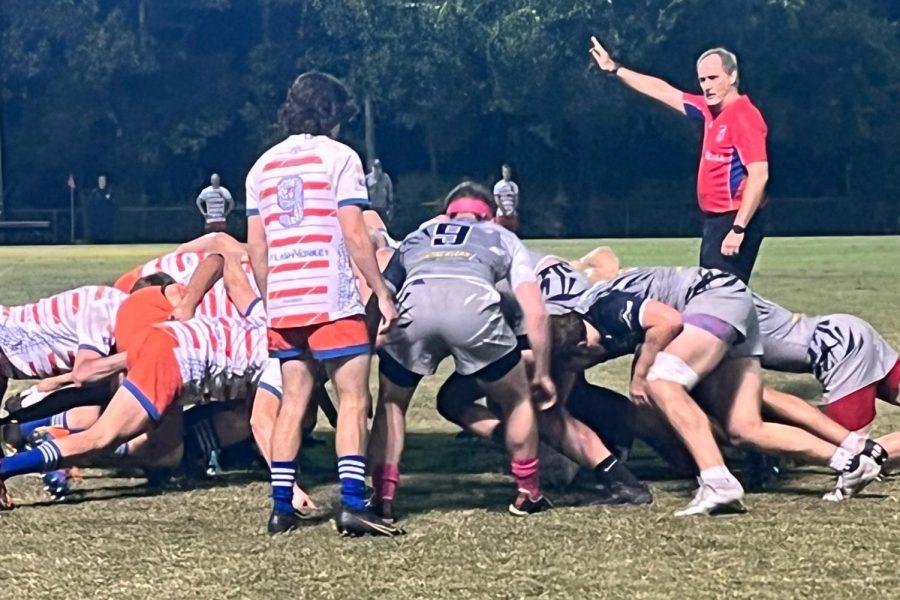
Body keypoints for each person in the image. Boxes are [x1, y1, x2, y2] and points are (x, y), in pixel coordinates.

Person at [574, 266, 885, 514]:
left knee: (660, 381)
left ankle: (717, 480)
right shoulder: (606, 308)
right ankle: (852, 461)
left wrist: (640, 376)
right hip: (728, 302)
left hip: (716, 298)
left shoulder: (603, 308)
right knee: (744, 427)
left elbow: (666, 321)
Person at [245, 71, 401, 536]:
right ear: (332, 113)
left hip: (284, 300)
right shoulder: (340, 157)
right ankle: (353, 504)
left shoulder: (261, 166)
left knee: (293, 401)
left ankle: (280, 507)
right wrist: (381, 289)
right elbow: (355, 232)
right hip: (331, 297)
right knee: (353, 398)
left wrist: (271, 296)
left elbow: (257, 247)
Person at [368, 181, 557, 520]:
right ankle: (528, 491)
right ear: (490, 216)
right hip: (473, 311)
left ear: (445, 212)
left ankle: (383, 493)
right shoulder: (502, 237)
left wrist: (367, 347)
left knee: (392, 402)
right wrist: (541, 372)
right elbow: (537, 312)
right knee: (517, 399)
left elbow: (380, 293)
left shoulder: (417, 235)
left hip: (415, 310)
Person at [589, 39, 768, 283]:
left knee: (720, 302)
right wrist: (615, 68)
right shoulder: (709, 109)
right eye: (703, 80)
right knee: (716, 298)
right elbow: (662, 90)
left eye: (713, 78)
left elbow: (759, 176)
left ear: (732, 76)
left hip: (733, 219)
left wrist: (738, 229)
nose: (707, 86)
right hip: (715, 222)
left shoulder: (745, 117)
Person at [84, 174, 115, 243]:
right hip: (96, 220)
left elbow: (114, 205)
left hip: (107, 220)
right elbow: (89, 205)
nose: (102, 182)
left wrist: (109, 199)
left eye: (103, 180)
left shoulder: (110, 192)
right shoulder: (94, 193)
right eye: (100, 180)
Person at [365, 159, 394, 225]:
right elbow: (364, 193)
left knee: (385, 226)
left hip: (383, 207)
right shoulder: (367, 178)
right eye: (375, 167)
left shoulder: (386, 178)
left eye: (378, 167)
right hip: (372, 208)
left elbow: (390, 191)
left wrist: (390, 205)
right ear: (372, 167)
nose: (377, 169)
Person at [492, 164, 520, 233]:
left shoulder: (514, 185)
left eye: (508, 172)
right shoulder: (498, 185)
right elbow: (497, 200)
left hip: (512, 214)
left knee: (511, 234)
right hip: (501, 214)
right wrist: (504, 211)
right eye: (505, 172)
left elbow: (516, 199)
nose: (506, 174)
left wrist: (512, 211)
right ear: (502, 173)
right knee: (501, 234)